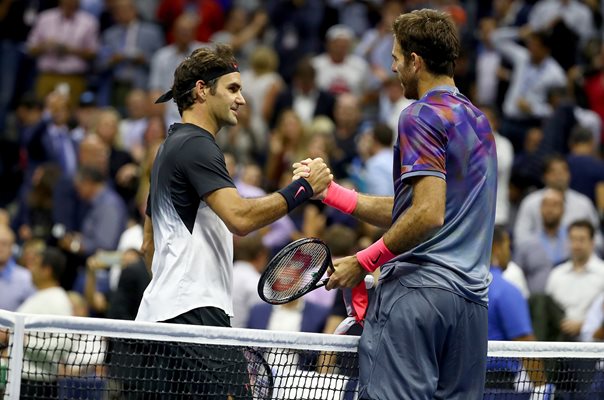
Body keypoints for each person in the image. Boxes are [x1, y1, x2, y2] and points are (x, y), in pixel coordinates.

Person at [295, 9, 496, 399]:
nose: (391, 68)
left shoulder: (419, 115)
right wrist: (333, 194)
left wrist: (364, 261)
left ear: (415, 62)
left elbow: (426, 214)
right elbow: (422, 206)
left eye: (395, 58)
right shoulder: (478, 122)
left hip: (417, 297)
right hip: (470, 307)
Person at [136, 44, 331, 399]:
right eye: (233, 89)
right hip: (196, 319)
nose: (241, 100)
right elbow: (239, 218)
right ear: (201, 90)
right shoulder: (198, 145)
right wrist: (304, 188)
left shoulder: (167, 149)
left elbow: (148, 245)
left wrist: (174, 288)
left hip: (156, 320)